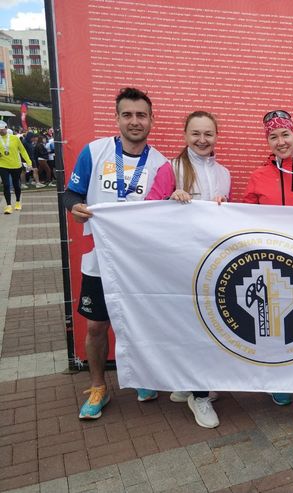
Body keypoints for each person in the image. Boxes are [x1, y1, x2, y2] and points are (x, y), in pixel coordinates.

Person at [63, 87, 169, 419]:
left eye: (141, 115)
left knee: (140, 324)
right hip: (100, 259)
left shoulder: (162, 164)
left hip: (139, 263)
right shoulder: (94, 152)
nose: (135, 121)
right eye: (128, 115)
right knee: (96, 326)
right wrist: (75, 208)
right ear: (117, 118)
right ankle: (98, 387)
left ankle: (141, 378)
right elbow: (71, 194)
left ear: (151, 120)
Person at [146, 110, 230, 428]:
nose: (202, 139)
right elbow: (147, 211)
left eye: (208, 133)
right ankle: (199, 395)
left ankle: (189, 384)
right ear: (185, 135)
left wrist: (225, 205)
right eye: (195, 133)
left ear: (216, 136)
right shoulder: (171, 168)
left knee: (206, 325)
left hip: (212, 263)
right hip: (180, 261)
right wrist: (169, 199)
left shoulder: (224, 173)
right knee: (191, 327)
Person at [242, 109, 293, 425]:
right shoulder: (258, 175)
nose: (280, 141)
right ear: (268, 141)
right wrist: (223, 207)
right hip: (269, 264)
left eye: (285, 134)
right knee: (274, 327)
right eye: (274, 136)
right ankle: (279, 379)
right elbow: (244, 217)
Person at [0, 120, 32, 214]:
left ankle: (18, 202)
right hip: (3, 165)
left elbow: (22, 151)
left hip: (16, 165)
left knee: (16, 185)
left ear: (6, 128)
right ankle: (8, 205)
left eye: (2, 129)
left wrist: (29, 162)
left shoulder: (15, 138)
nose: (1, 131)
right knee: (6, 185)